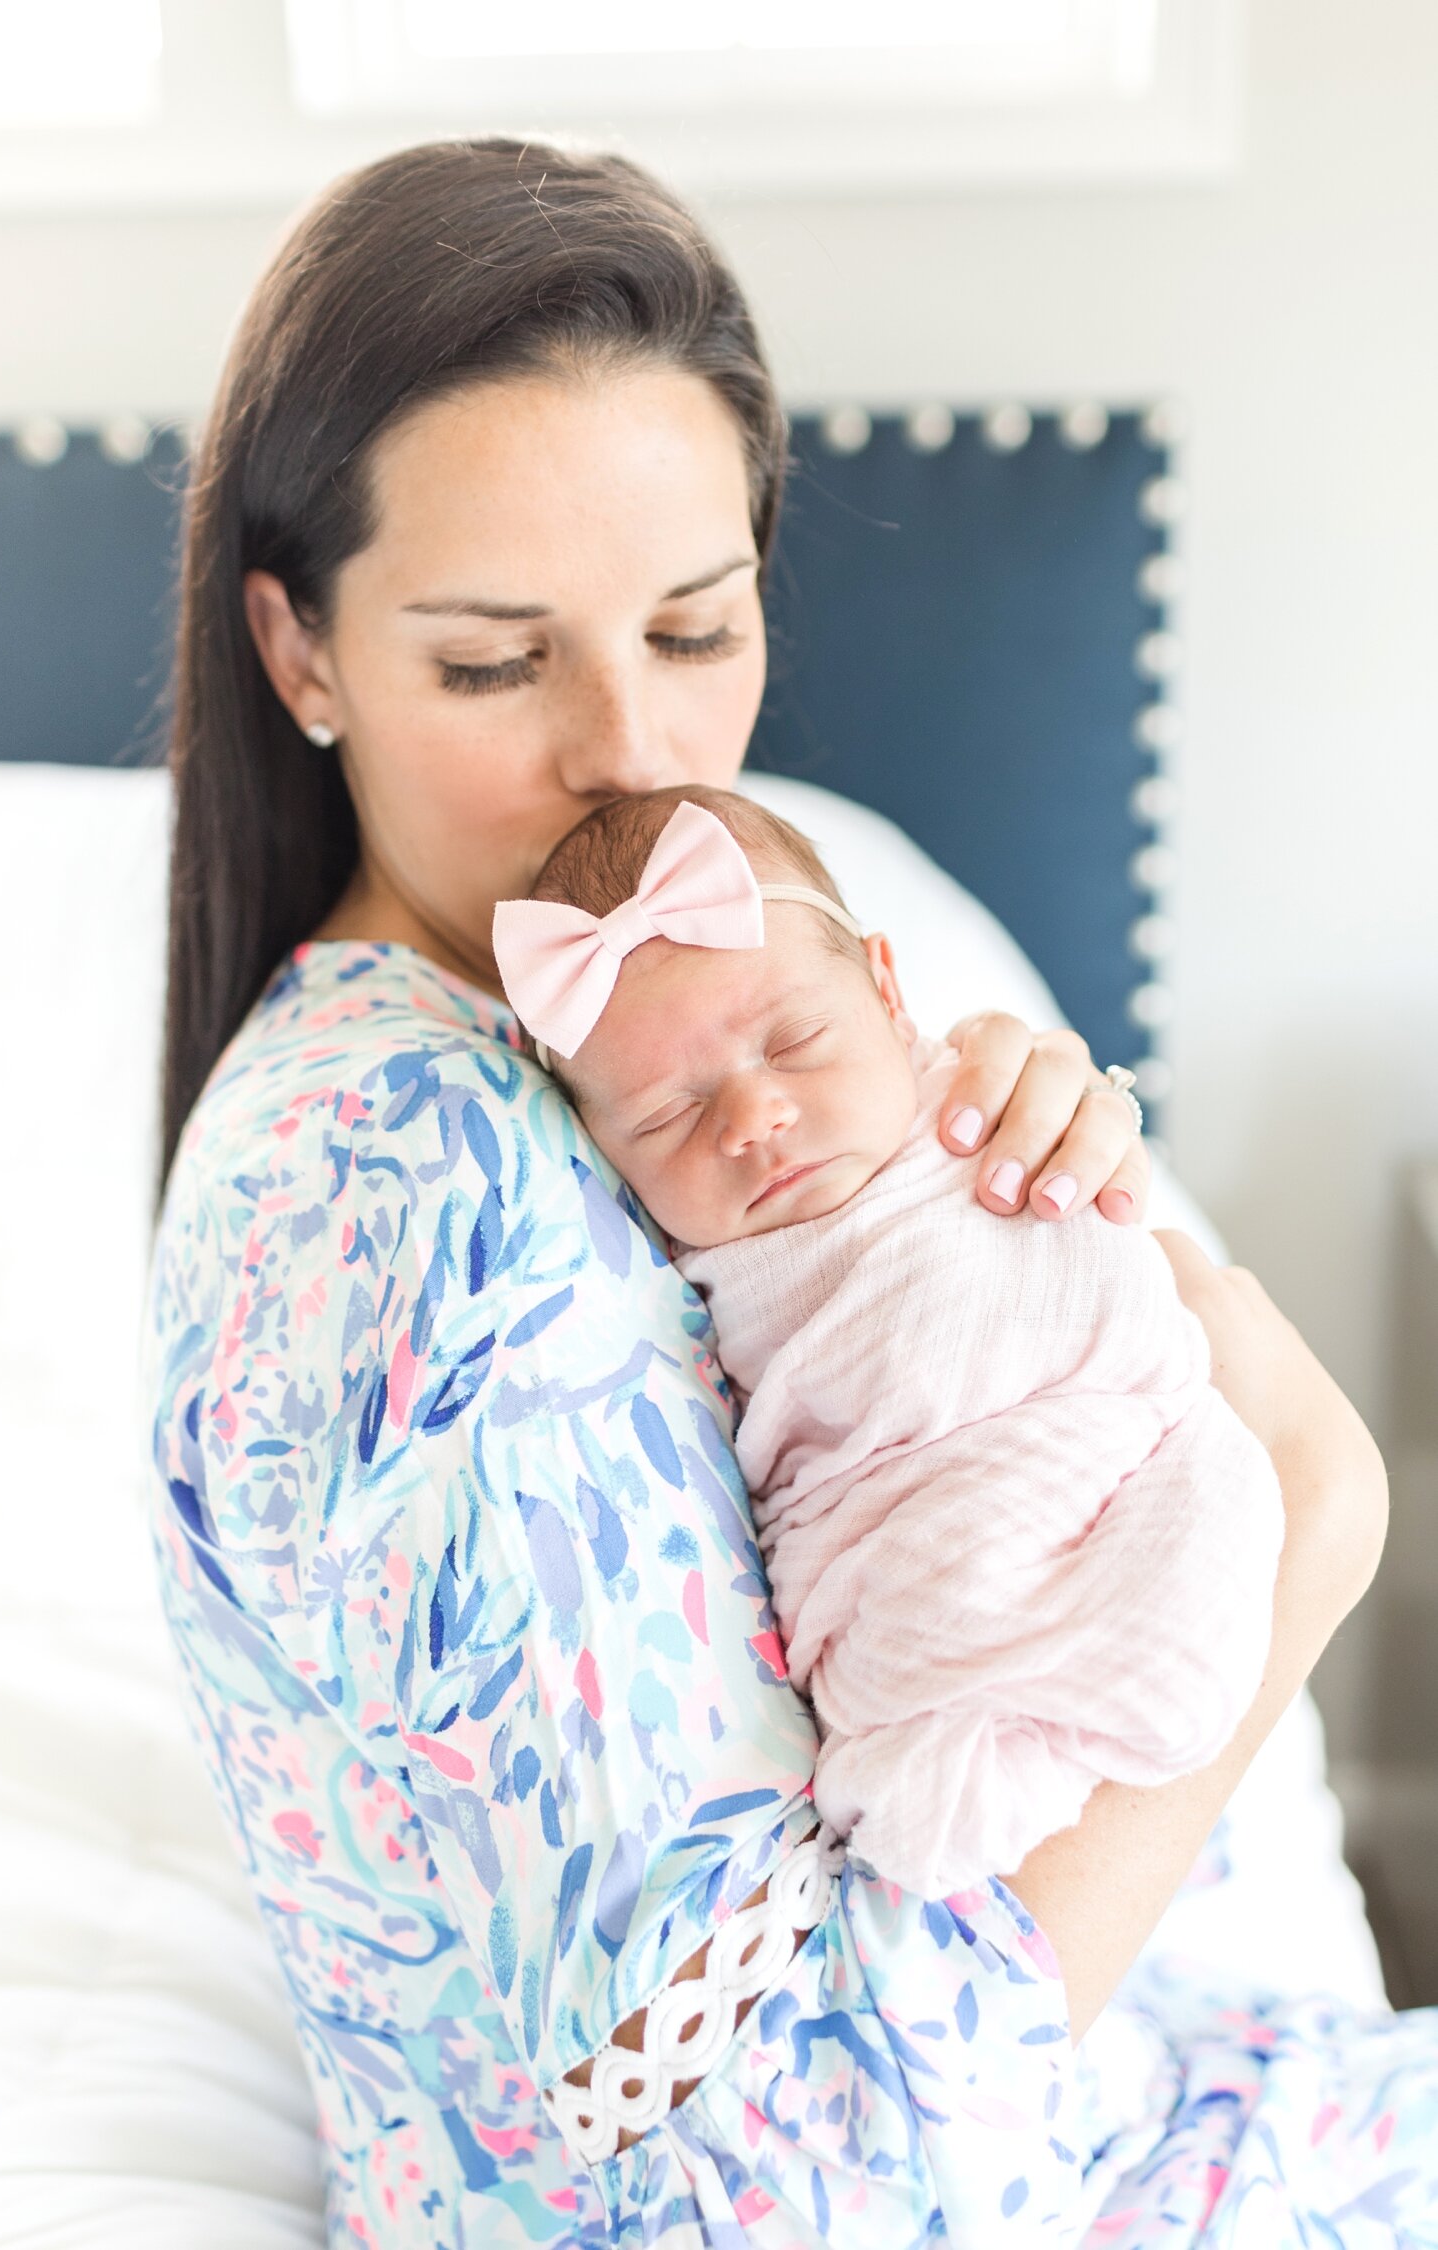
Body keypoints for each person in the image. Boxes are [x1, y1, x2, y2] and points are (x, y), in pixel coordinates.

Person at [144, 138, 1430, 2250]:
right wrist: (1301, 1507)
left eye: (694, 623)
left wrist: (1002, 1244)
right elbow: (810, 2192)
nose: (635, 757)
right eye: (494, 662)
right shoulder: (406, 1196)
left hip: (1141, 2085)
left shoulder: (591, 1041)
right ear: (300, 651)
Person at [489, 783, 1286, 1898]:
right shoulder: (668, 1271)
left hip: (1096, 1428)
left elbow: (1135, 1296)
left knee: (1233, 1483)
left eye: (797, 1041)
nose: (751, 1117)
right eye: (667, 1115)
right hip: (890, 1523)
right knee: (926, 1685)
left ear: (888, 991)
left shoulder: (984, 1097)